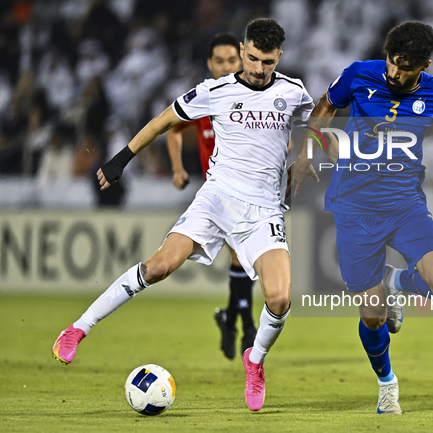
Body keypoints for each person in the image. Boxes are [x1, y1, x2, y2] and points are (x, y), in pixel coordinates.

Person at [52, 18, 314, 412]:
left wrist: (304, 159)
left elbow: (320, 125)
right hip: (217, 199)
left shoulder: (294, 92)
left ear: (280, 58)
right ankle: (76, 329)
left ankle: (255, 362)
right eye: (255, 59)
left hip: (263, 210)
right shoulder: (215, 91)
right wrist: (121, 160)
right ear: (244, 51)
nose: (260, 70)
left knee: (279, 298)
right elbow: (164, 121)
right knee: (159, 267)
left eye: (269, 63)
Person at [293, 21, 433, 415]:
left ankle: (394, 280)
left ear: (425, 65)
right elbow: (324, 108)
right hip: (354, 206)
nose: (394, 72)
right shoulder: (359, 74)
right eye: (392, 62)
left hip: (405, 205)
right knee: (372, 315)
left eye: (404, 67)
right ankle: (387, 382)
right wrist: (306, 153)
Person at [165, 33, 257, 361]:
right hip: (217, 195)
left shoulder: (252, 97)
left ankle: (234, 320)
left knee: (241, 259)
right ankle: (245, 327)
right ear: (209, 64)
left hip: (249, 192)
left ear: (242, 60)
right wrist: (177, 168)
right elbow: (173, 130)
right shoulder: (204, 97)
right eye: (219, 61)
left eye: (232, 60)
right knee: (241, 259)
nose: (226, 66)